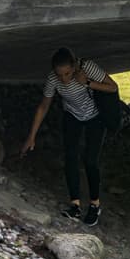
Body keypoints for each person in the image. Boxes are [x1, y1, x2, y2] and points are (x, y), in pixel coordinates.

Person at [21, 47, 119, 226]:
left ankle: (94, 204)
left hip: (95, 116)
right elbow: (44, 106)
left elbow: (112, 87)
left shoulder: (87, 67)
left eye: (67, 74)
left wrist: (88, 82)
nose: (64, 79)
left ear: (74, 67)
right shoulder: (53, 79)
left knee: (90, 160)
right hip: (72, 115)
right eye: (60, 75)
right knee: (71, 157)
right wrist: (31, 136)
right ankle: (75, 204)